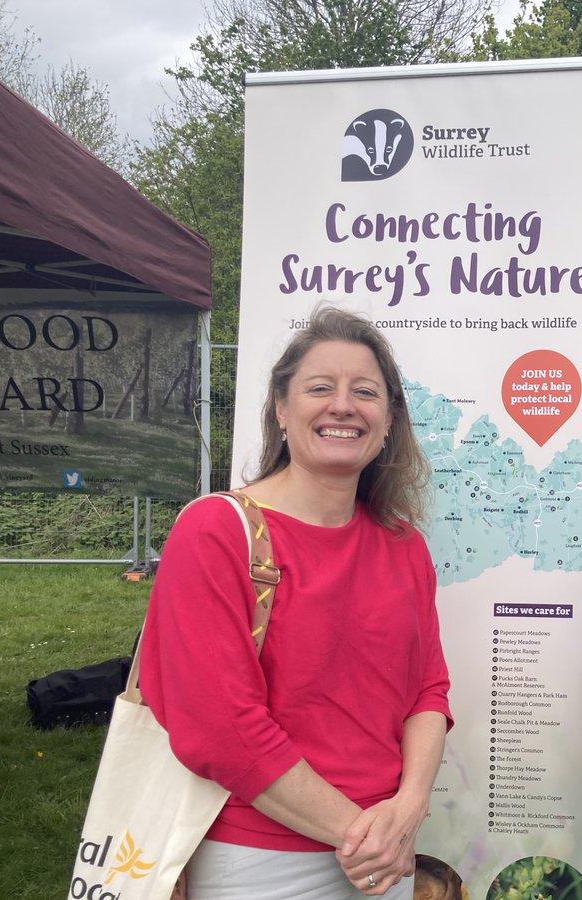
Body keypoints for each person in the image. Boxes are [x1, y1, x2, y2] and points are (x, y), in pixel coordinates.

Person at [140, 306, 452, 899]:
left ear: (388, 420)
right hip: (260, 859)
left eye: (365, 392)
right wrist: (365, 836)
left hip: (385, 853)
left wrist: (407, 811)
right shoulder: (215, 531)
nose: (343, 406)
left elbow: (427, 692)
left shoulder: (403, 545)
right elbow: (222, 730)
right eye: (319, 388)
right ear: (282, 410)